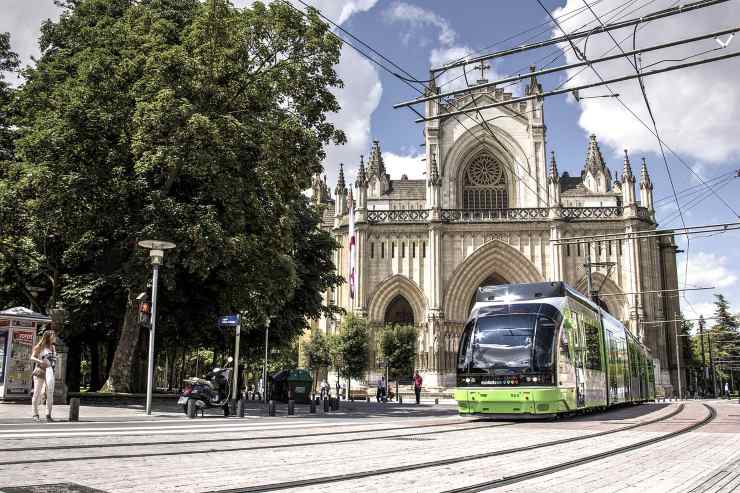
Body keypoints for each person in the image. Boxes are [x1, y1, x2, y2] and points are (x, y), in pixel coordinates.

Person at [30, 328, 57, 422]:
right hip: (40, 371)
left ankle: (48, 414)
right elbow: (32, 357)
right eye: (53, 336)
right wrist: (41, 361)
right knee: (37, 392)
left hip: (50, 371)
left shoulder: (53, 347)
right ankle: (35, 414)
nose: (55, 337)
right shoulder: (40, 346)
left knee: (50, 393)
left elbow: (53, 359)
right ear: (48, 337)